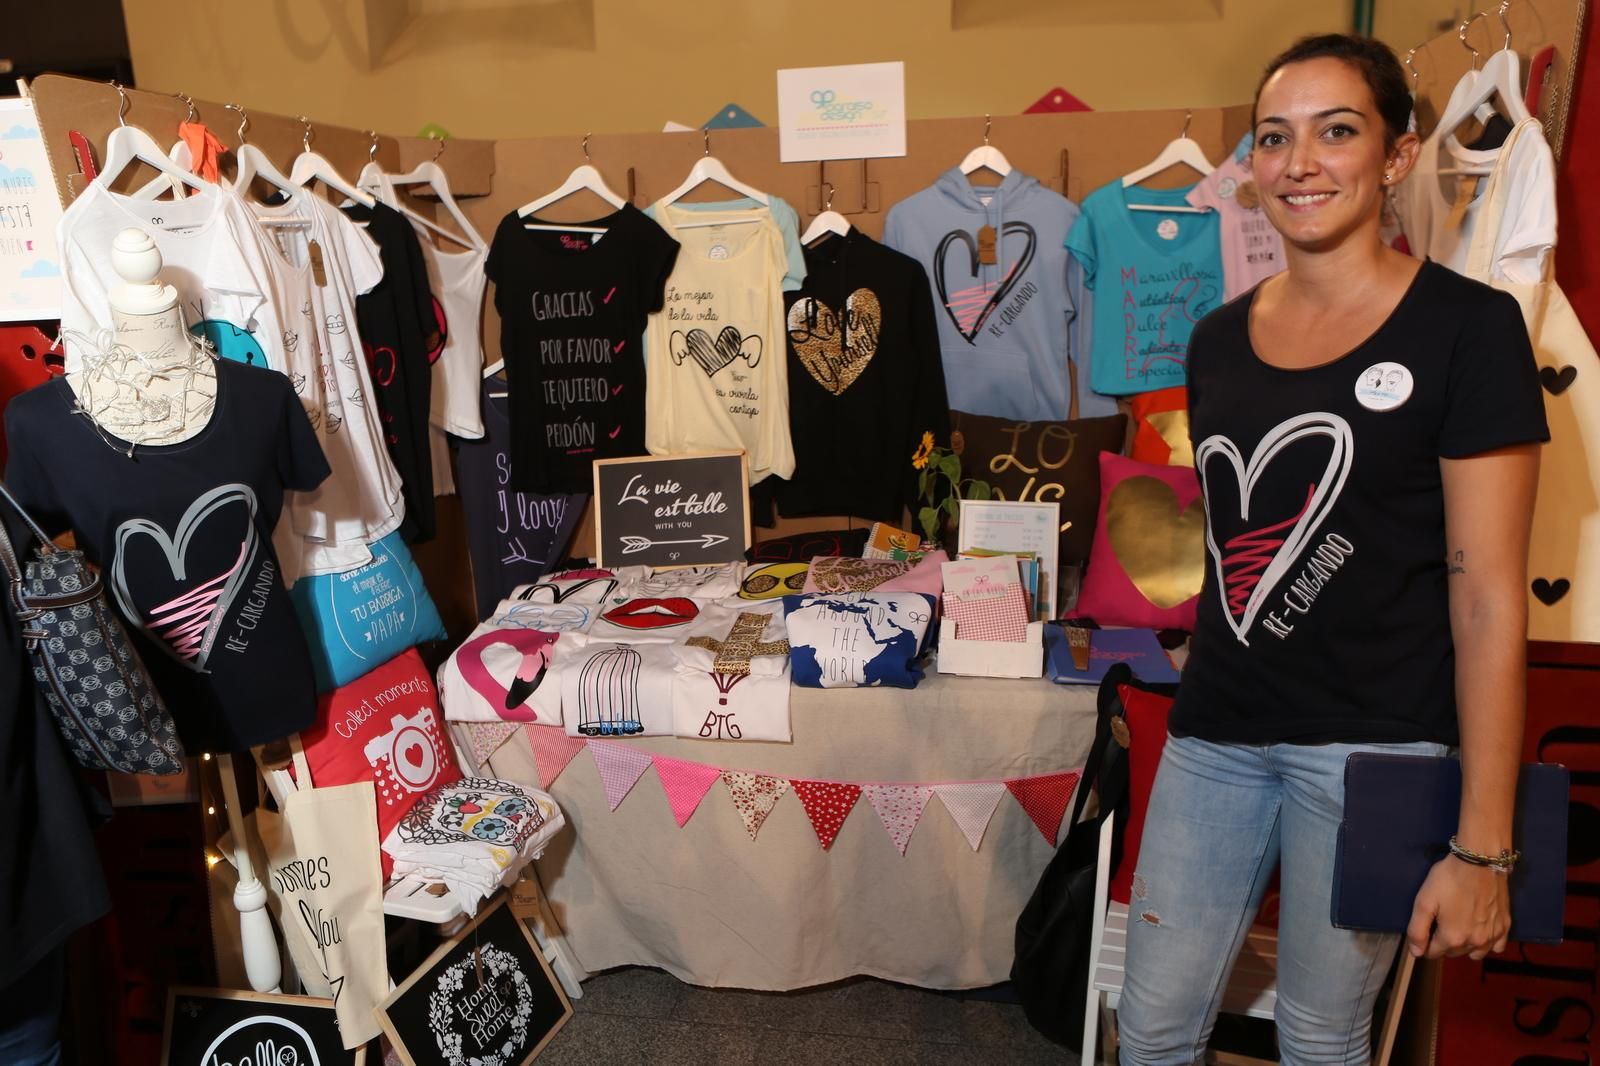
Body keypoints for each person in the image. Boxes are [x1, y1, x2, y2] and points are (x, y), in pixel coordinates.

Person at [1116, 34, 1548, 1066]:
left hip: (1374, 754)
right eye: (1274, 138)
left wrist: (1484, 844)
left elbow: (1488, 596)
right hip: (1215, 736)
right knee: (1150, 1026)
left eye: (1336, 131)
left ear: (1396, 156)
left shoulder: (1470, 329)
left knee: (1319, 1036)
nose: (1300, 162)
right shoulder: (1216, 340)